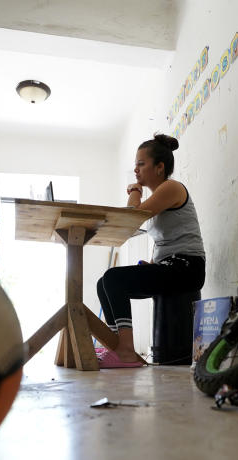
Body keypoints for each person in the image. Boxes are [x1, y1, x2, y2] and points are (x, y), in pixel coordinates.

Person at [95, 134, 206, 368]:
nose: (136, 170)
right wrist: (154, 263)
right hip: (172, 265)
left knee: (114, 279)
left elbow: (131, 219)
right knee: (103, 283)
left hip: (187, 268)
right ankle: (115, 347)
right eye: (135, 165)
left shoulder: (171, 187)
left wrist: (135, 191)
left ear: (159, 167)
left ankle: (125, 350)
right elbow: (167, 239)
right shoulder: (160, 195)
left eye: (141, 164)